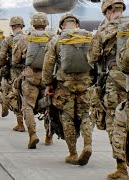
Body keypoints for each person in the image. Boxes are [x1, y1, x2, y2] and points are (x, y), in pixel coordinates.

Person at [43, 13, 93, 165]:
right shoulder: (89, 37)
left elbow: (48, 64)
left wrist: (48, 84)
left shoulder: (56, 40)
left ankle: (73, 153)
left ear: (62, 26)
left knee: (66, 116)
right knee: (85, 114)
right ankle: (88, 144)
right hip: (85, 84)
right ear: (77, 24)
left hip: (64, 86)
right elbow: (96, 59)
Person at [88, 0, 127, 178]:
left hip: (114, 84)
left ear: (106, 12)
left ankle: (121, 169)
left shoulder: (104, 31)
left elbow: (93, 58)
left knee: (115, 124)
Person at [0, 16, 26, 132]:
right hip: (27, 72)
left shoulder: (8, 40)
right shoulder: (27, 38)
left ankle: (20, 123)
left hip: (13, 72)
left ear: (12, 26)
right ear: (22, 26)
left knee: (13, 95)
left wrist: (1, 65)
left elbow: (2, 57)